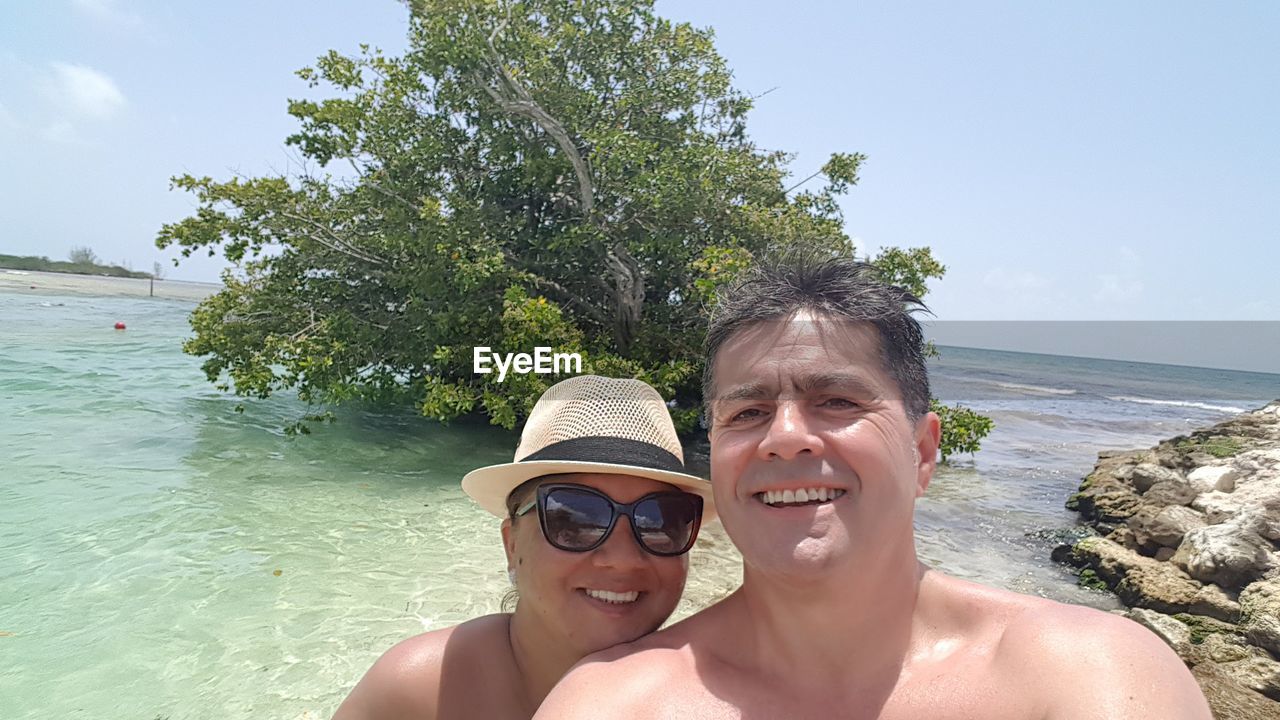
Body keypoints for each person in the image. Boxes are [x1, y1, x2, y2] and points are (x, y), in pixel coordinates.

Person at [536, 254, 1213, 719]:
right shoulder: (615, 702)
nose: (785, 436)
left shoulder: (1086, 676)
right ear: (715, 462)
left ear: (923, 453)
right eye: (747, 412)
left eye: (835, 400)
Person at [333, 375, 714, 719]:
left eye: (660, 520)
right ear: (511, 543)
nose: (623, 558)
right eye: (575, 518)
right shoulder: (417, 691)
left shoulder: (711, 700)